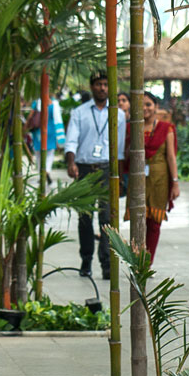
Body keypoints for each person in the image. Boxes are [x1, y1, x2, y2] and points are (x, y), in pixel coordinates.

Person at [61, 72, 115, 280]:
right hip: (84, 168)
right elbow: (71, 139)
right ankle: (86, 259)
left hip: (107, 169)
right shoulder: (79, 113)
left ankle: (107, 263)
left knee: (107, 217)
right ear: (92, 87)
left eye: (105, 84)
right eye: (98, 84)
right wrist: (71, 162)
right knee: (85, 217)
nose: (102, 88)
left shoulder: (117, 113)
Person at [118, 91, 179, 260]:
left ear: (156, 107)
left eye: (148, 104)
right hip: (136, 178)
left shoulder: (166, 128)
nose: (145, 108)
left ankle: (147, 262)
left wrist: (175, 182)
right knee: (137, 220)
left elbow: (171, 157)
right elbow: (123, 154)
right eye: (141, 105)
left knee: (154, 222)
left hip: (159, 179)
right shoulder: (130, 128)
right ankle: (136, 259)